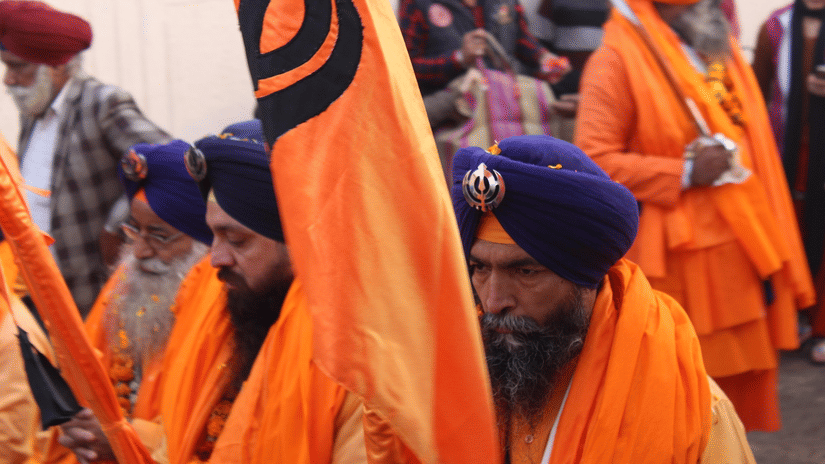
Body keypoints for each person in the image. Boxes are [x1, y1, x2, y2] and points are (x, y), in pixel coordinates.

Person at [575, 0, 815, 431]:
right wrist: (683, 171)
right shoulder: (614, 59)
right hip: (675, 267)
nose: (715, 5)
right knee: (676, 398)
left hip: (738, 253)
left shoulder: (709, 51)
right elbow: (594, 161)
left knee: (728, 411)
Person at [451, 134, 755, 463]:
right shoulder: (452, 381)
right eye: (479, 267)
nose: (494, 302)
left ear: (587, 278)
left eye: (526, 272)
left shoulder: (692, 413)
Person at [0, 0, 170, 316]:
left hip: (94, 291)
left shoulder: (102, 103)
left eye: (18, 67)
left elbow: (167, 163)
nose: (8, 80)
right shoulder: (34, 114)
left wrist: (116, 226)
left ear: (58, 65)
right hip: (45, 289)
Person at [55, 139, 213, 463]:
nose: (140, 251)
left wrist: (125, 439)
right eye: (135, 230)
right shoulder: (124, 286)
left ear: (208, 241)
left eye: (160, 235)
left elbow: (219, 440)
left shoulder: (229, 310)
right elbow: (81, 391)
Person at [752, 0, 825, 364]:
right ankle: (789, 318)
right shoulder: (776, 26)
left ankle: (821, 327)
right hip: (786, 152)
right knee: (785, 235)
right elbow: (755, 91)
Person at [398, 0, 573, 127]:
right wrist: (458, 58)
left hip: (507, 113)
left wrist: (546, 60)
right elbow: (406, 70)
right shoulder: (416, 4)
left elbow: (521, 39)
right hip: (455, 120)